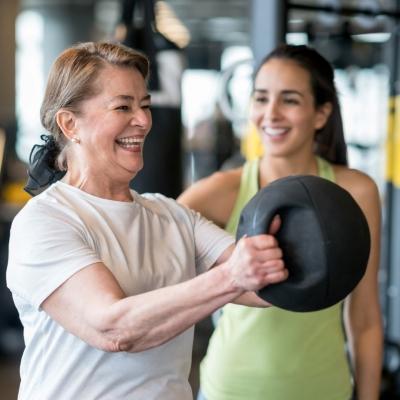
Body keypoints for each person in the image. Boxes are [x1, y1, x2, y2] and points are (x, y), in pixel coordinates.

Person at [6, 41, 288, 400]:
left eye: (145, 105)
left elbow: (258, 286)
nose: (142, 120)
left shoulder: (172, 215)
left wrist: (303, 251)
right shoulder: (46, 220)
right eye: (123, 106)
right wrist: (232, 276)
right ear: (69, 123)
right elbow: (114, 328)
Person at [178, 44, 383, 400]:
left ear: (321, 114)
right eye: (260, 98)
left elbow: (364, 318)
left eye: (289, 100)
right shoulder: (218, 192)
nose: (270, 114)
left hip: (323, 390)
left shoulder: (356, 191)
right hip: (230, 390)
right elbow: (160, 274)